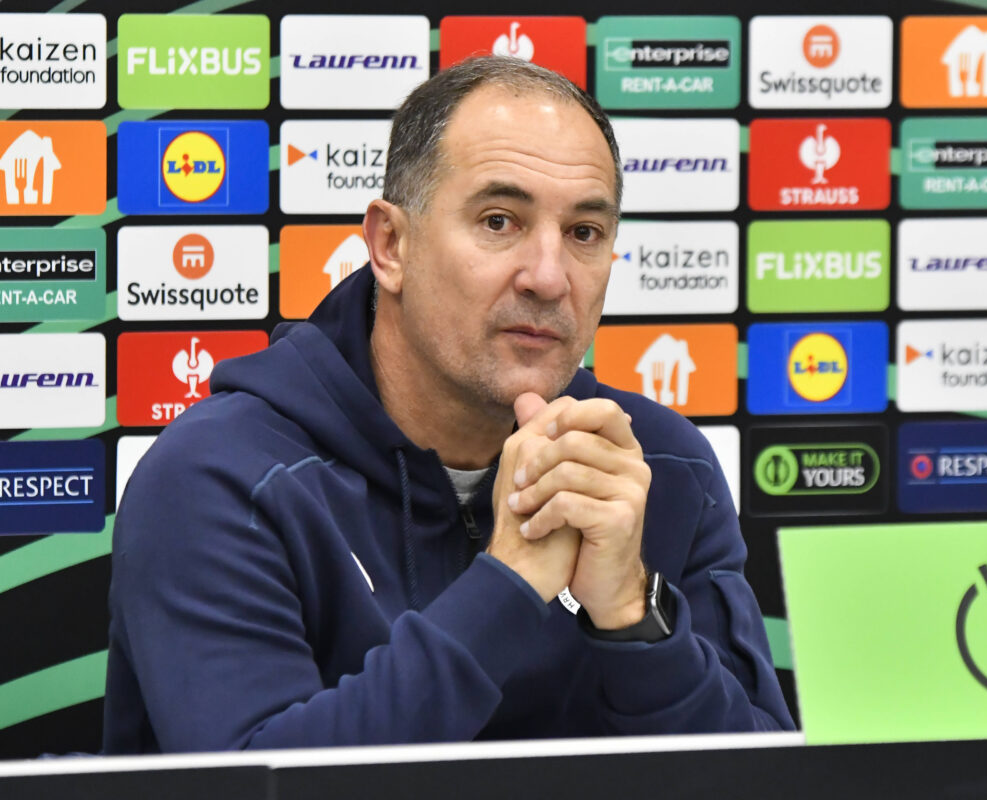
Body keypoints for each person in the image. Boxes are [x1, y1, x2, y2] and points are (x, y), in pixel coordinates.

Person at [103, 56, 793, 754]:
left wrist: (633, 616)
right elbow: (254, 780)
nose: (549, 277)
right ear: (390, 245)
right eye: (499, 221)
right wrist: (509, 584)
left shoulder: (657, 466)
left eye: (584, 233)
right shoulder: (220, 476)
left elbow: (766, 778)